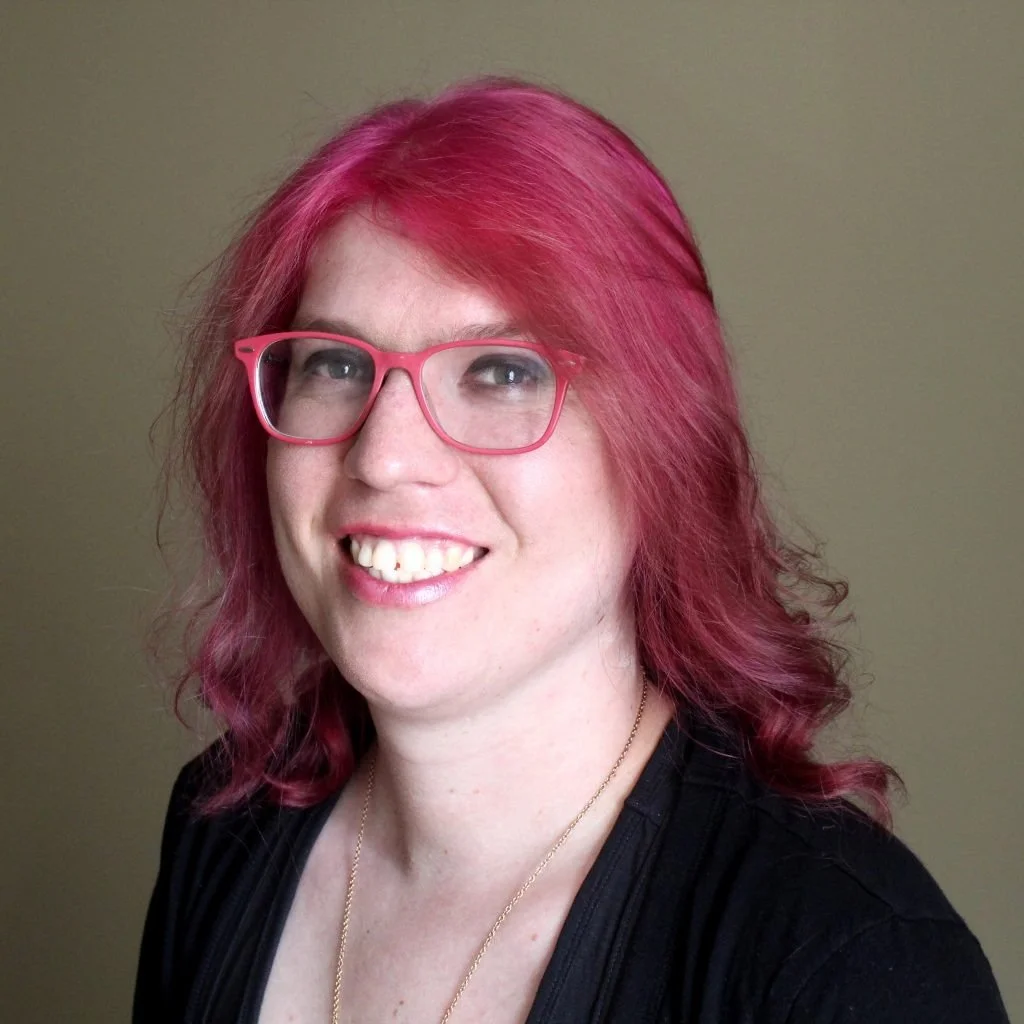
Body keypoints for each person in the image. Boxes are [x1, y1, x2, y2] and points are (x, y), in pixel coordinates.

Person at [133, 78, 1008, 1023]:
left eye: (503, 372)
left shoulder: (846, 961)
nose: (385, 456)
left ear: (661, 445)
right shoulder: (225, 828)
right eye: (337, 365)